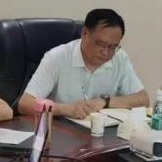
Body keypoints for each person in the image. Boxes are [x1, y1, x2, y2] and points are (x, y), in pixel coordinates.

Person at [18, 9, 148, 120]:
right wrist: (65, 109)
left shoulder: (120, 58)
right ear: (84, 33)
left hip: (102, 134)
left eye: (113, 47)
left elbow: (143, 99)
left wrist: (105, 101)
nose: (106, 52)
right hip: (61, 132)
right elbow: (25, 104)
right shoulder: (57, 57)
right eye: (101, 44)